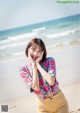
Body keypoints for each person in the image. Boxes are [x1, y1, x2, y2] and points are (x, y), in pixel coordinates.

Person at [19, 38, 69, 113]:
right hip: (43, 107)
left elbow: (51, 81)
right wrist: (33, 66)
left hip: (60, 103)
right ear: (28, 49)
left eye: (39, 51)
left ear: (42, 52)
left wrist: (38, 64)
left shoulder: (50, 60)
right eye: (33, 49)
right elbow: (35, 87)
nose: (35, 54)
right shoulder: (24, 69)